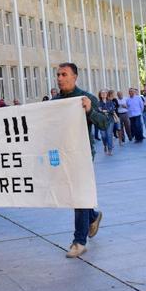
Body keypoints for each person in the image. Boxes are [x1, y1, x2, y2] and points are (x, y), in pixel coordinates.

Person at [52, 63, 105, 258]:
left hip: (82, 155)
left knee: (78, 195)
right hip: (62, 155)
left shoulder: (86, 98)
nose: (59, 78)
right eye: (57, 74)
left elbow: (105, 122)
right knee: (75, 194)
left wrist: (90, 110)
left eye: (64, 74)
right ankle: (93, 216)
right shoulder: (55, 101)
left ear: (75, 77)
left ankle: (79, 241)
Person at [97, 90, 115, 155]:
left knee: (109, 135)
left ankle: (110, 150)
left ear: (107, 94)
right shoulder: (98, 103)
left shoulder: (110, 102)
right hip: (101, 122)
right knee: (103, 136)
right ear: (100, 95)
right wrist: (106, 110)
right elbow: (98, 111)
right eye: (102, 93)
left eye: (105, 93)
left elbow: (112, 110)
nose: (104, 94)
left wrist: (104, 110)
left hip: (110, 121)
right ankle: (105, 145)